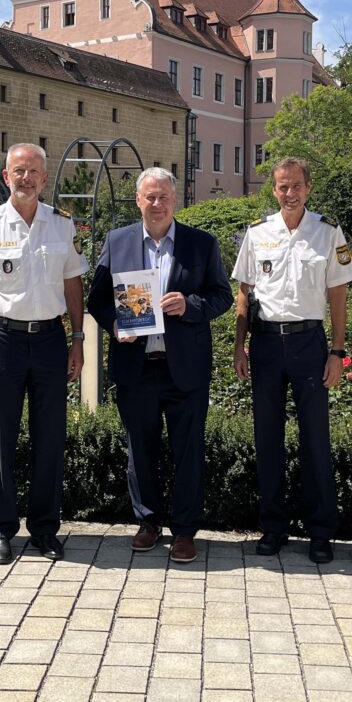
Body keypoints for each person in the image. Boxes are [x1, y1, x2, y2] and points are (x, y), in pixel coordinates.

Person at [0, 143, 87, 565]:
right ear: (6, 177)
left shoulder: (62, 226)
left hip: (49, 340)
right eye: (17, 171)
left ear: (45, 179)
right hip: (2, 340)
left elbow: (73, 286)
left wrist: (78, 339)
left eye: (33, 172)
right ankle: (0, 531)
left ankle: (45, 529)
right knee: (0, 439)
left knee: (50, 438)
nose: (25, 178)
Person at [87, 167, 233, 564]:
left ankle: (185, 531)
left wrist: (191, 305)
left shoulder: (201, 244)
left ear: (175, 201)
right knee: (141, 449)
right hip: (136, 365)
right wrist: (115, 323)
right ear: (138, 201)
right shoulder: (117, 242)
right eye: (149, 197)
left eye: (163, 197)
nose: (156, 204)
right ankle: (148, 522)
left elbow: (222, 296)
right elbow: (97, 298)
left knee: (188, 451)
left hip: (183, 366)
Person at [231, 157, 352, 564]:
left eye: (296, 186)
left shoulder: (327, 232)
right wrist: (239, 345)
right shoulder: (257, 233)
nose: (289, 193)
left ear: (308, 188)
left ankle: (320, 532)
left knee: (315, 440)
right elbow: (244, 293)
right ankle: (273, 527)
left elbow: (339, 295)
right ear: (274, 190)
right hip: (266, 344)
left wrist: (337, 351)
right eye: (282, 187)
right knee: (267, 439)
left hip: (309, 343)